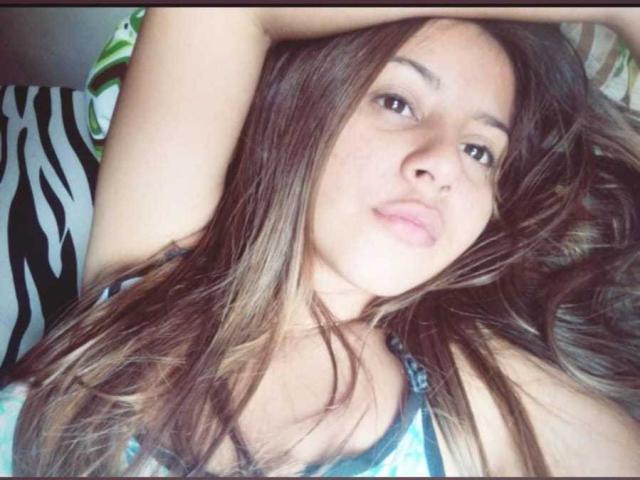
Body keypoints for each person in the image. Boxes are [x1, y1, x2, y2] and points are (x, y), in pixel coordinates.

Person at [1, 7, 640, 476]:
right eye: (398, 102)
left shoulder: (481, 397)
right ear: (300, 111)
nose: (444, 163)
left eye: (480, 150)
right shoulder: (154, 270)